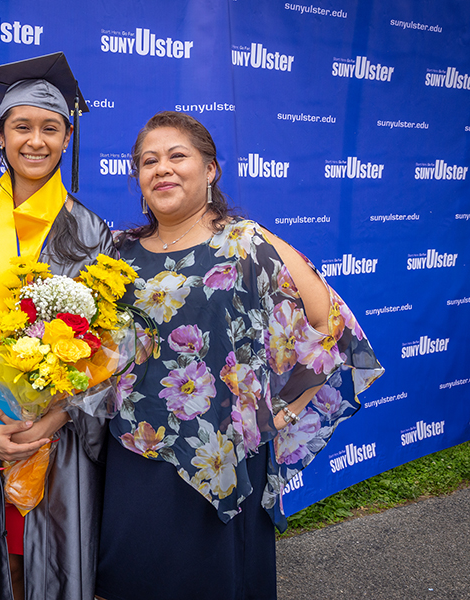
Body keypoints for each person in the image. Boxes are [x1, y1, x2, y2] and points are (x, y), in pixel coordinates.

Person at [95, 112, 384, 600]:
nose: (161, 168)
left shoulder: (247, 242)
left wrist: (284, 410)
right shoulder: (118, 253)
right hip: (134, 453)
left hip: (222, 454)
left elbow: (331, 324)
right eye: (148, 161)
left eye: (176, 156)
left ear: (210, 170)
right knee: (131, 581)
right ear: (138, 179)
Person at [0, 53, 115, 600]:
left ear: (68, 137)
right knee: (2, 561)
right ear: (0, 135)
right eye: (22, 126)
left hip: (59, 433)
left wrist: (51, 420)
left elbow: (113, 347)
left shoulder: (92, 234)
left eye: (51, 128)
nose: (36, 141)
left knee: (51, 556)